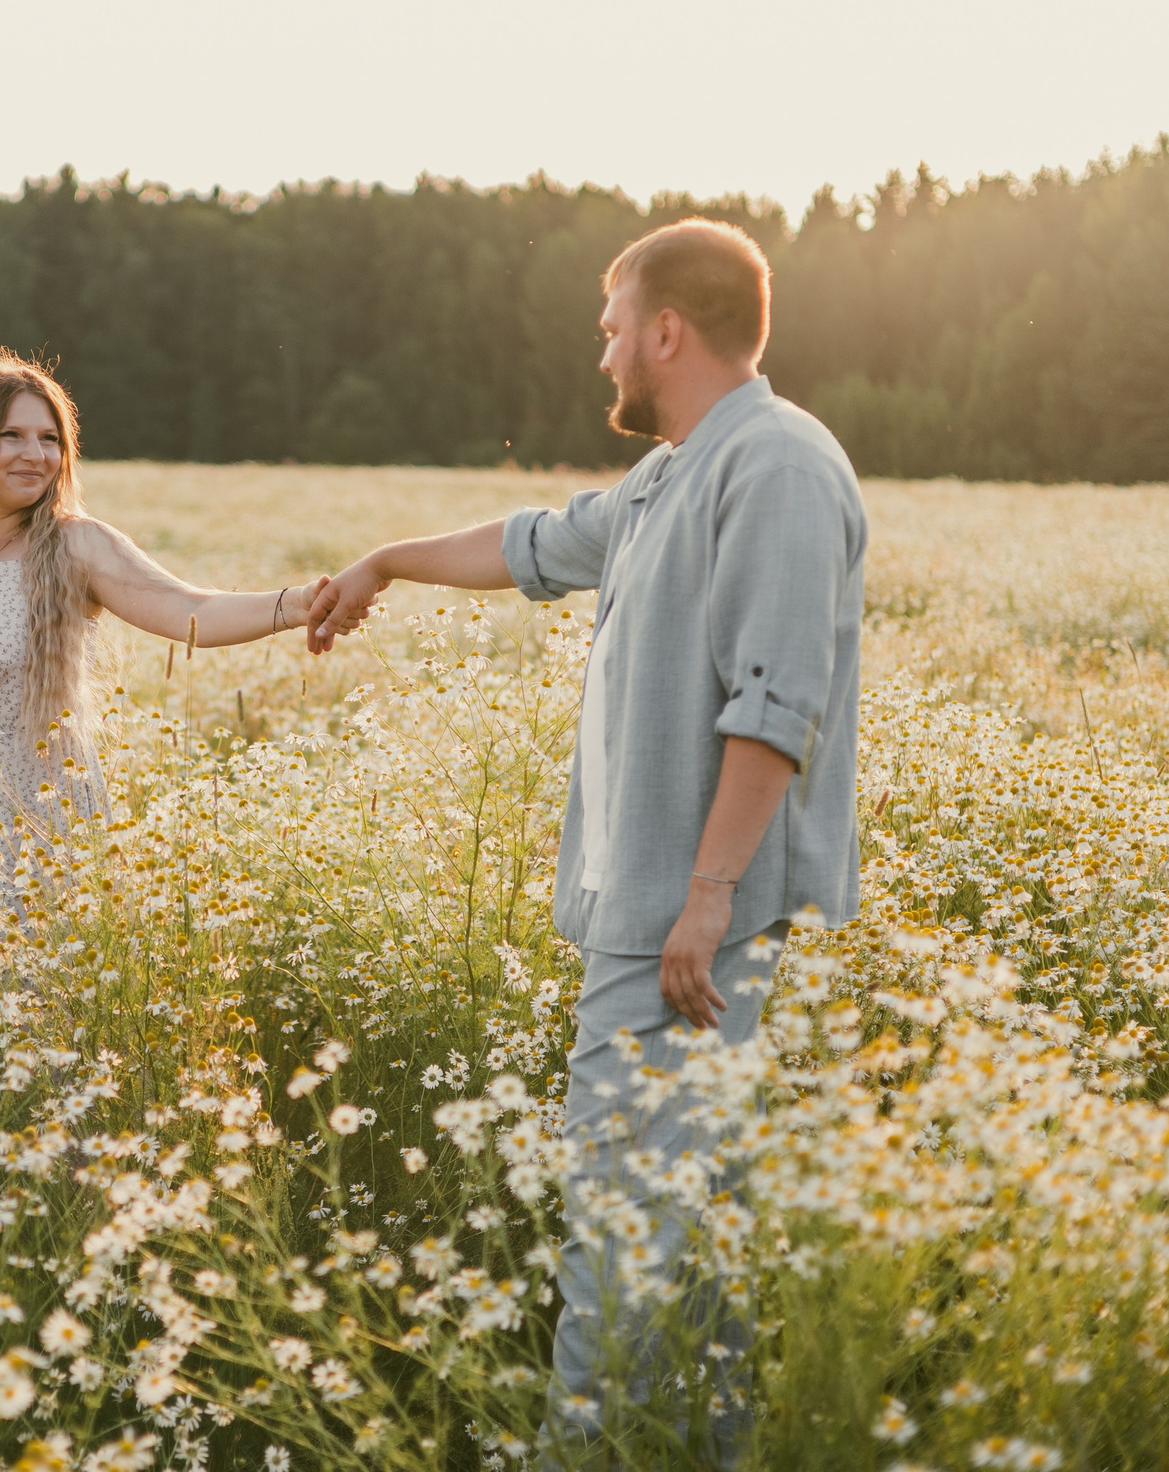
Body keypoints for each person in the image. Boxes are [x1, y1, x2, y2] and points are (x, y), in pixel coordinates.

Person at [303, 218, 867, 1459]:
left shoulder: (772, 465)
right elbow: (534, 545)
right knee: (694, 1256)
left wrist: (708, 896)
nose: (600, 348)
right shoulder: (671, 472)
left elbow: (777, 705)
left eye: (612, 325)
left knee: (620, 1255)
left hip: (690, 938)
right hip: (660, 921)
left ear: (667, 330)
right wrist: (383, 563)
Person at [0, 352, 326, 933]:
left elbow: (192, 611)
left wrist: (297, 604)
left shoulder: (74, 546)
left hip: (38, 825)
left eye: (49, 438)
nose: (35, 455)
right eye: (11, 435)